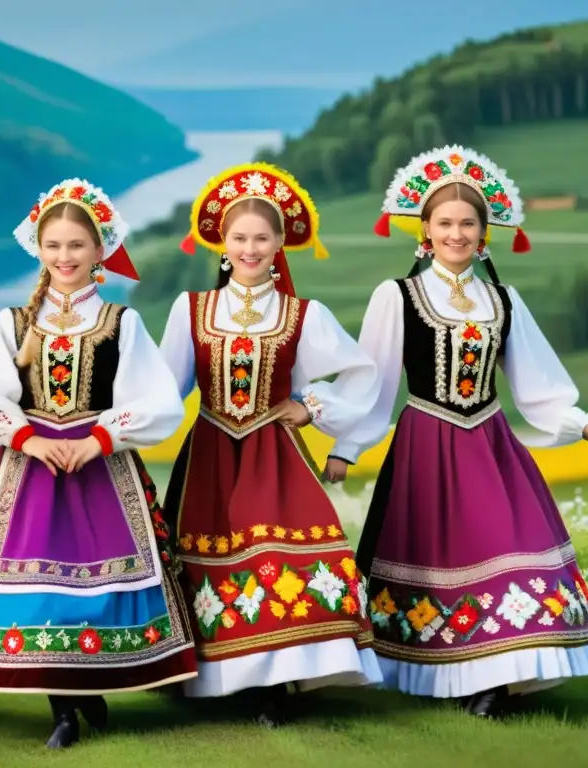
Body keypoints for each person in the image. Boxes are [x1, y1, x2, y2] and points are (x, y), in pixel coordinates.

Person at [326, 144, 588, 718]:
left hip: (491, 444)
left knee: (508, 544)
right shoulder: (398, 296)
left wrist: (579, 422)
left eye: (468, 224)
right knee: (438, 557)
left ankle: (499, 680)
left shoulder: (503, 300)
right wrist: (347, 447)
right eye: (445, 223)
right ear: (425, 231)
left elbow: (534, 379)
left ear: (485, 234)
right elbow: (374, 379)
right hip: (425, 447)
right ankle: (466, 683)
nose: (456, 234)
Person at [0, 178, 197, 749]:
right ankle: (63, 709)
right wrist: (27, 437)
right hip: (30, 470)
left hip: (100, 472)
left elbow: (156, 401)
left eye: (76, 246)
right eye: (54, 246)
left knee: (103, 586)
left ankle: (86, 689)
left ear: (99, 251)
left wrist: (100, 439)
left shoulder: (120, 321)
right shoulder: (12, 323)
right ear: (38, 249)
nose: (65, 257)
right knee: (38, 590)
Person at [159, 162, 383, 726]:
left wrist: (312, 408)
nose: (250, 248)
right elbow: (166, 386)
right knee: (213, 561)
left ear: (281, 243)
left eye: (262, 238)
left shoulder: (303, 314)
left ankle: (276, 686)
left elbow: (363, 373)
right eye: (239, 238)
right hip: (211, 453)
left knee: (277, 557)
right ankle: (217, 678)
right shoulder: (191, 309)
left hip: (275, 453)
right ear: (221, 242)